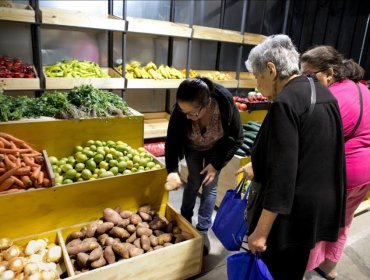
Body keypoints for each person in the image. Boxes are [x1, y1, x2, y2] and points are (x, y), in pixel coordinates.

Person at [236, 35, 346, 280]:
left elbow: (282, 175)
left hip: (289, 215)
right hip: (314, 211)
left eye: (257, 76)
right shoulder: (319, 90)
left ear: (271, 70)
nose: (258, 84)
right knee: (294, 269)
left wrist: (261, 232)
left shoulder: (285, 103)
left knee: (275, 271)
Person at [300, 46, 370, 279]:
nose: (305, 80)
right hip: (364, 173)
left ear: (332, 73)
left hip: (342, 174)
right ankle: (329, 266)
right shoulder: (364, 90)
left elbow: (314, 139)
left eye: (309, 75)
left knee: (317, 224)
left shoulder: (335, 96)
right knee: (343, 222)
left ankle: (302, 268)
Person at [164, 76, 243, 255]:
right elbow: (172, 141)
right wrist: (173, 171)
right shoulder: (181, 111)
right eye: (184, 112)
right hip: (192, 147)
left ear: (206, 104)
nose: (188, 117)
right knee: (193, 181)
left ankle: (202, 230)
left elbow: (238, 138)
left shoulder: (224, 103)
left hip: (216, 148)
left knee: (210, 186)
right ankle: (184, 222)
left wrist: (216, 165)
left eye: (193, 113)